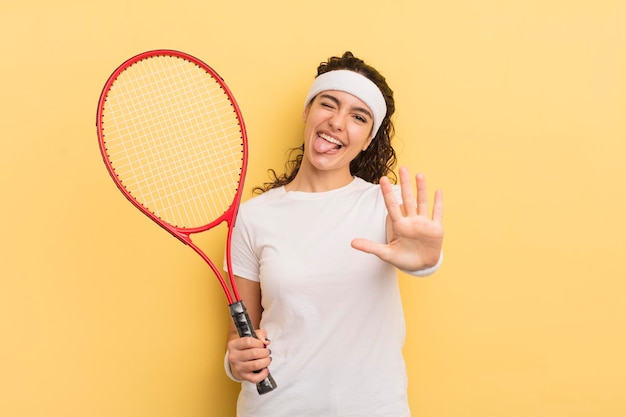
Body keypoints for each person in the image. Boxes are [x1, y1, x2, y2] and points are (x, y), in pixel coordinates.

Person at [224, 51, 444, 417]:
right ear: (307, 113)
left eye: (358, 117)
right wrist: (236, 363)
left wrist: (426, 262)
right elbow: (239, 335)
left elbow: (418, 254)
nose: (338, 122)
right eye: (329, 104)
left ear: (368, 139)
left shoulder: (384, 205)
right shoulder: (253, 217)